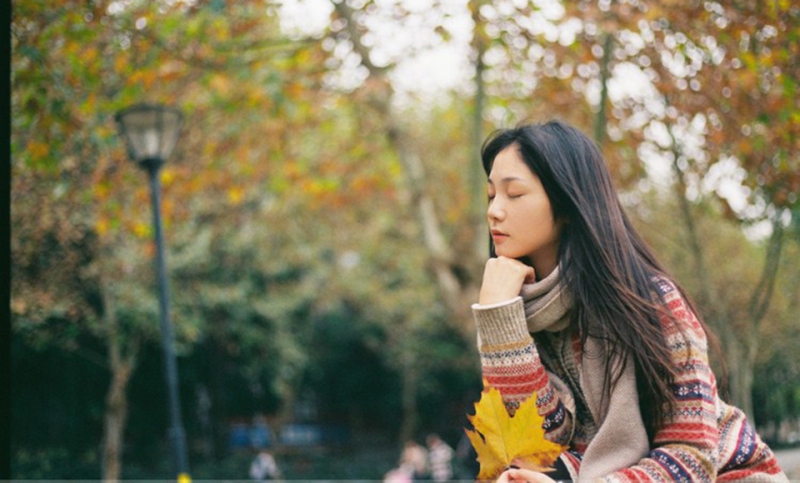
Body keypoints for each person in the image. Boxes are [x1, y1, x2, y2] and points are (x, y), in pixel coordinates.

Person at [472, 120, 788, 482]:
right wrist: (499, 321)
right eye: (491, 195)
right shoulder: (511, 309)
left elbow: (691, 457)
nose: (494, 211)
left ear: (567, 201)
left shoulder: (649, 302)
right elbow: (538, 447)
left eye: (514, 194)